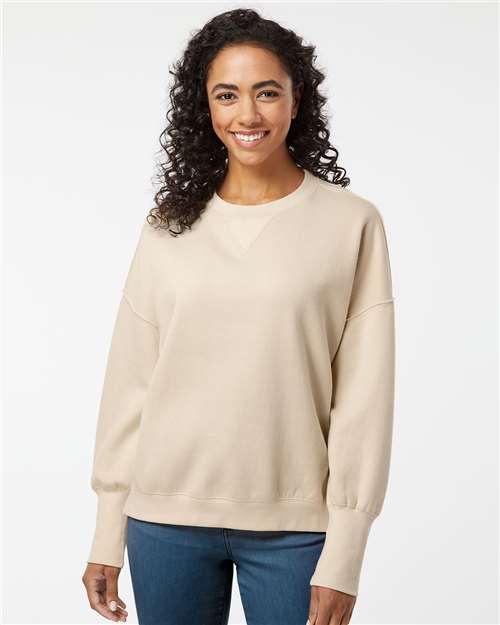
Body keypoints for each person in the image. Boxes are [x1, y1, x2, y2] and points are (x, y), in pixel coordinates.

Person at [81, 8, 396, 625]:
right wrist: (106, 531)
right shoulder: (168, 226)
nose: (247, 115)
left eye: (267, 92)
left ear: (297, 99)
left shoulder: (351, 223)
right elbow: (130, 384)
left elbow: (364, 400)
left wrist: (346, 552)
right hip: (163, 522)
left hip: (295, 529)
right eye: (227, 95)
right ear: (204, 106)